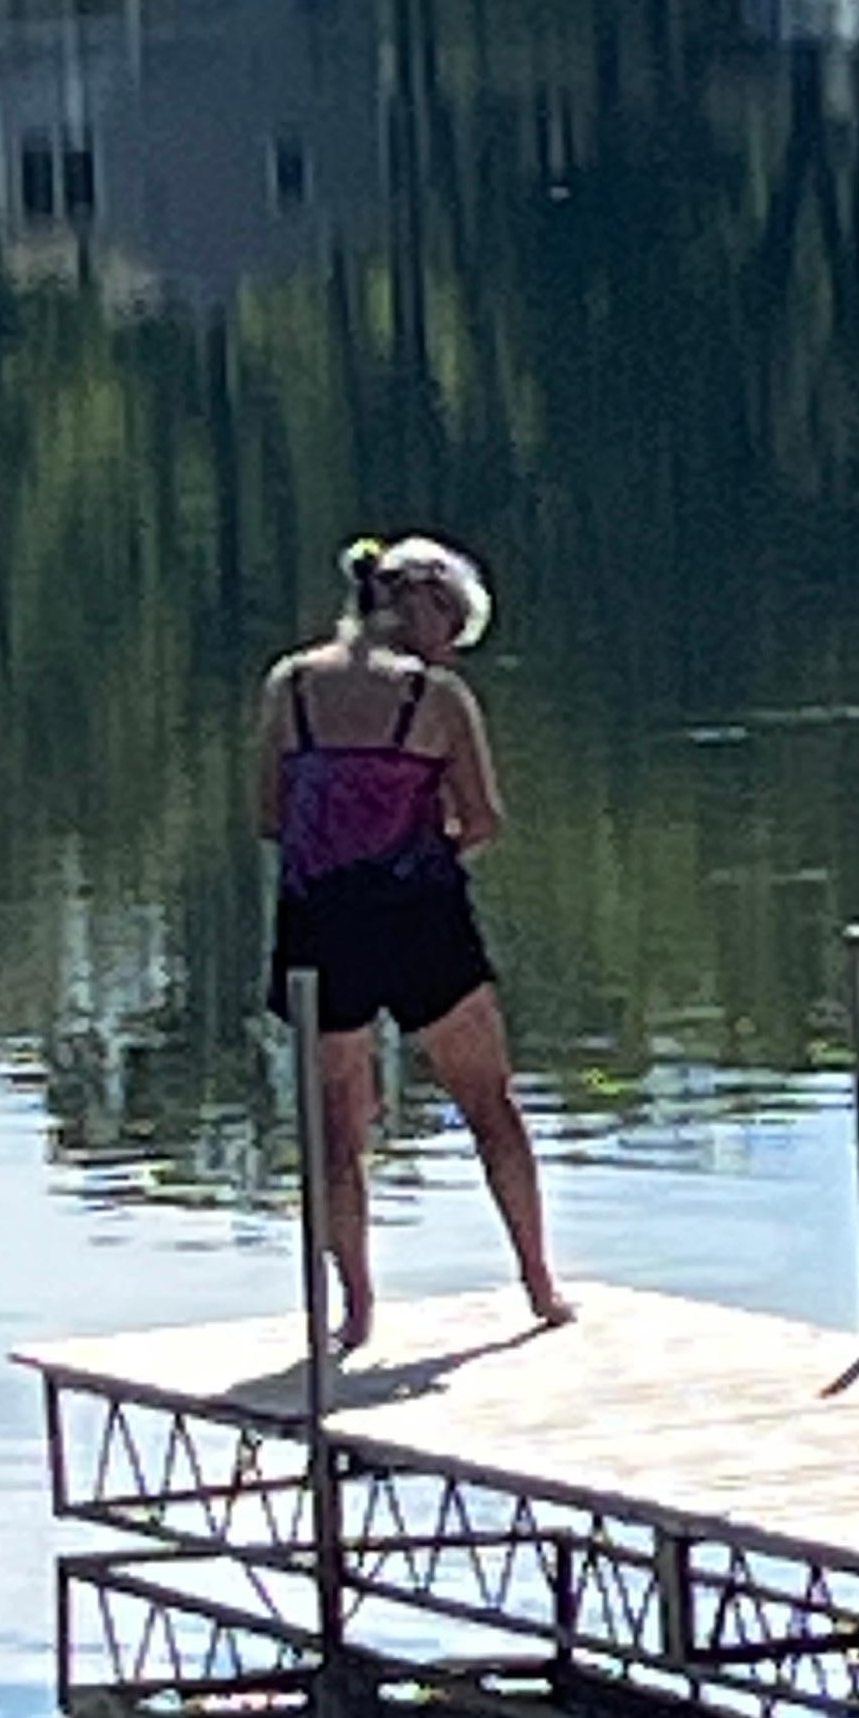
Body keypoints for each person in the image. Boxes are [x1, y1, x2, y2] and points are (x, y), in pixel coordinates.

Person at [258, 533, 566, 1352]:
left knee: (336, 1126)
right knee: (490, 1106)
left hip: (318, 921)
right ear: (423, 606)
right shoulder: (437, 699)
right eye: (453, 625)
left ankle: (355, 1312)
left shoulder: (288, 687)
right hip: (420, 916)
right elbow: (486, 817)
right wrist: (422, 852)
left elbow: (269, 817)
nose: (453, 646)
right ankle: (539, 1285)